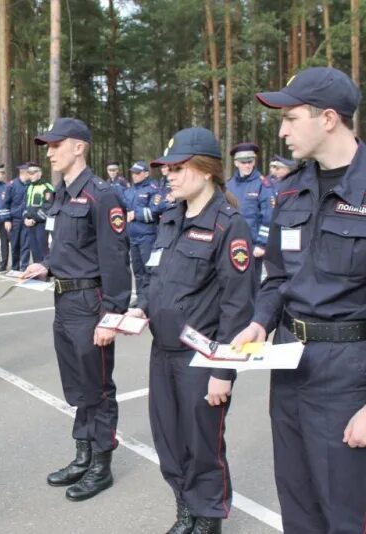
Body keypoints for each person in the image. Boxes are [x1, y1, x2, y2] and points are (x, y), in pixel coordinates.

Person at [231, 66, 366, 533]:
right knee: (297, 507)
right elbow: (276, 276)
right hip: (287, 363)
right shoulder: (291, 189)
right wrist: (260, 321)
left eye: (291, 117)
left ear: (328, 119)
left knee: (342, 512)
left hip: (345, 370)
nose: (281, 131)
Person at [127, 128, 256, 534]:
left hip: (202, 357)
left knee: (203, 445)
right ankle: (186, 508)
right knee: (169, 439)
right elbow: (154, 278)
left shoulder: (228, 225)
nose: (169, 176)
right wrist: (139, 310)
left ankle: (209, 519)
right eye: (167, 169)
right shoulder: (171, 217)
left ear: (205, 171)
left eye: (178, 168)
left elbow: (239, 306)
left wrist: (223, 371)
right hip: (163, 350)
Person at [22, 118, 131, 502]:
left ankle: (101, 464)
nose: (49, 151)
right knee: (79, 386)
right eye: (47, 145)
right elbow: (69, 245)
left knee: (98, 388)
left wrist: (112, 316)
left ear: (79, 147)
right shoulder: (62, 194)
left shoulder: (102, 195)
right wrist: (46, 264)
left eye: (56, 144)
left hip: (91, 304)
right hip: (63, 299)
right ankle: (82, 455)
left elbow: (116, 260)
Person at [226, 142, 274, 277]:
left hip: (252, 246)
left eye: (250, 161)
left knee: (251, 286)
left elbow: (269, 216)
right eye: (243, 162)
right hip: (231, 242)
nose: (247, 165)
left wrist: (262, 244)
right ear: (236, 163)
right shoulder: (229, 185)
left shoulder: (262, 184)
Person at [121, 160, 168, 293]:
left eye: (137, 173)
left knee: (150, 271)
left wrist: (136, 215)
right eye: (133, 173)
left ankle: (152, 300)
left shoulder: (154, 189)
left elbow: (155, 211)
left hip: (148, 236)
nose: (134, 176)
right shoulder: (128, 191)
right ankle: (142, 301)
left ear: (146, 173)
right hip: (132, 237)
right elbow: (124, 210)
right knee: (137, 271)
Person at [0, 162, 31, 272]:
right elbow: (4, 204)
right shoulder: (11, 185)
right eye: (29, 173)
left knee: (26, 244)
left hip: (27, 220)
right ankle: (15, 267)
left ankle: (24, 267)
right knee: (15, 245)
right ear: (23, 173)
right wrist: (6, 220)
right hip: (15, 220)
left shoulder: (31, 185)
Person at [22, 162, 55, 263]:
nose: (30, 175)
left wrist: (34, 219)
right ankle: (37, 273)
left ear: (39, 173)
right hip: (30, 223)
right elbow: (25, 204)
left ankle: (46, 272)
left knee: (42, 249)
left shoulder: (47, 187)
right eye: (29, 173)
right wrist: (26, 218)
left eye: (33, 172)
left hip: (42, 223)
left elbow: (48, 206)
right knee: (34, 250)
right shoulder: (29, 187)